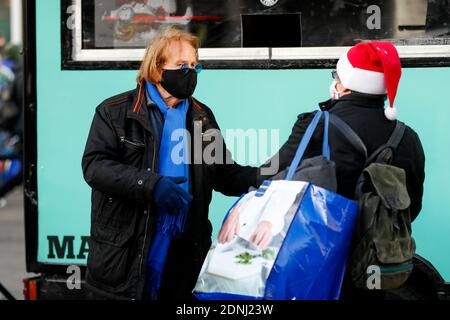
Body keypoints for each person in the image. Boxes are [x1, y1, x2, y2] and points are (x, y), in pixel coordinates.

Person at [81, 26, 257, 300]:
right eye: (182, 65)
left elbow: (225, 174)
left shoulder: (201, 116)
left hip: (184, 252)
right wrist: (151, 184)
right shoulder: (115, 112)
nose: (190, 73)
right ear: (157, 67)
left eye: (195, 66)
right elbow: (95, 167)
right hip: (128, 254)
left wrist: (268, 175)